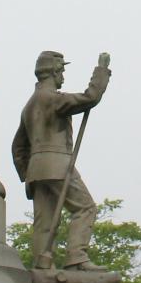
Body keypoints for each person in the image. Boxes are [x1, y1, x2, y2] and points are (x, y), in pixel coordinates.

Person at [12, 50, 111, 271]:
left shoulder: (29, 106)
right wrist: (101, 70)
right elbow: (90, 98)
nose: (63, 77)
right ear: (54, 71)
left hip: (36, 171)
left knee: (44, 223)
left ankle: (42, 263)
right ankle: (76, 257)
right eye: (62, 71)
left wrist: (27, 173)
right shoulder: (53, 99)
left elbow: (18, 147)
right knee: (86, 208)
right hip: (58, 165)